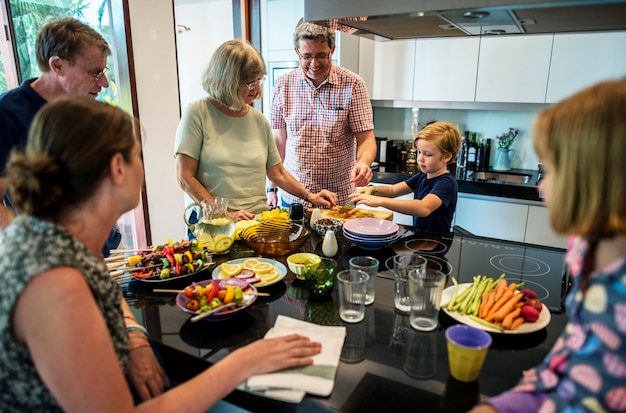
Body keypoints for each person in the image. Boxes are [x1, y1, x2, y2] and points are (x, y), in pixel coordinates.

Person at [0, 96, 322, 412]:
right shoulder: (56, 284)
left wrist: (136, 337)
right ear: (117, 168)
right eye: (137, 154)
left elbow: (108, 296)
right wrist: (243, 361)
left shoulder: (51, 236)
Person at [469, 78, 626, 412]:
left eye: (549, 172)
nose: (540, 187)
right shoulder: (585, 244)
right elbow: (574, 354)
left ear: (595, 179)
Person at [175, 39, 337, 221]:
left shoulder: (258, 120)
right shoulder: (197, 113)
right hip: (214, 225)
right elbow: (185, 176)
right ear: (226, 81)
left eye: (258, 80)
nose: (256, 89)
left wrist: (310, 196)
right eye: (249, 83)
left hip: (256, 221)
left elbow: (278, 172)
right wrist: (223, 213)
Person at [0, 17, 121, 255]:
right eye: (94, 73)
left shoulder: (83, 110)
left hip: (104, 248)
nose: (104, 83)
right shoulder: (7, 115)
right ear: (57, 66)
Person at [267, 19, 377, 207]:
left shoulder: (353, 84)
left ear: (332, 50)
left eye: (321, 55)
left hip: (339, 197)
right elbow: (278, 143)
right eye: (307, 56)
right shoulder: (282, 85)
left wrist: (364, 163)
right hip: (295, 196)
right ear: (297, 52)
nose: (314, 63)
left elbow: (366, 138)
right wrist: (271, 187)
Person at [348, 121, 461, 232]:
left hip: (437, 242)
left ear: (446, 157)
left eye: (428, 154)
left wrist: (379, 201)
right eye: (419, 152)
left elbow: (424, 207)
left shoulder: (446, 183)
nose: (420, 158)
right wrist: (372, 190)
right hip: (421, 238)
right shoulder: (422, 176)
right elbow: (392, 190)